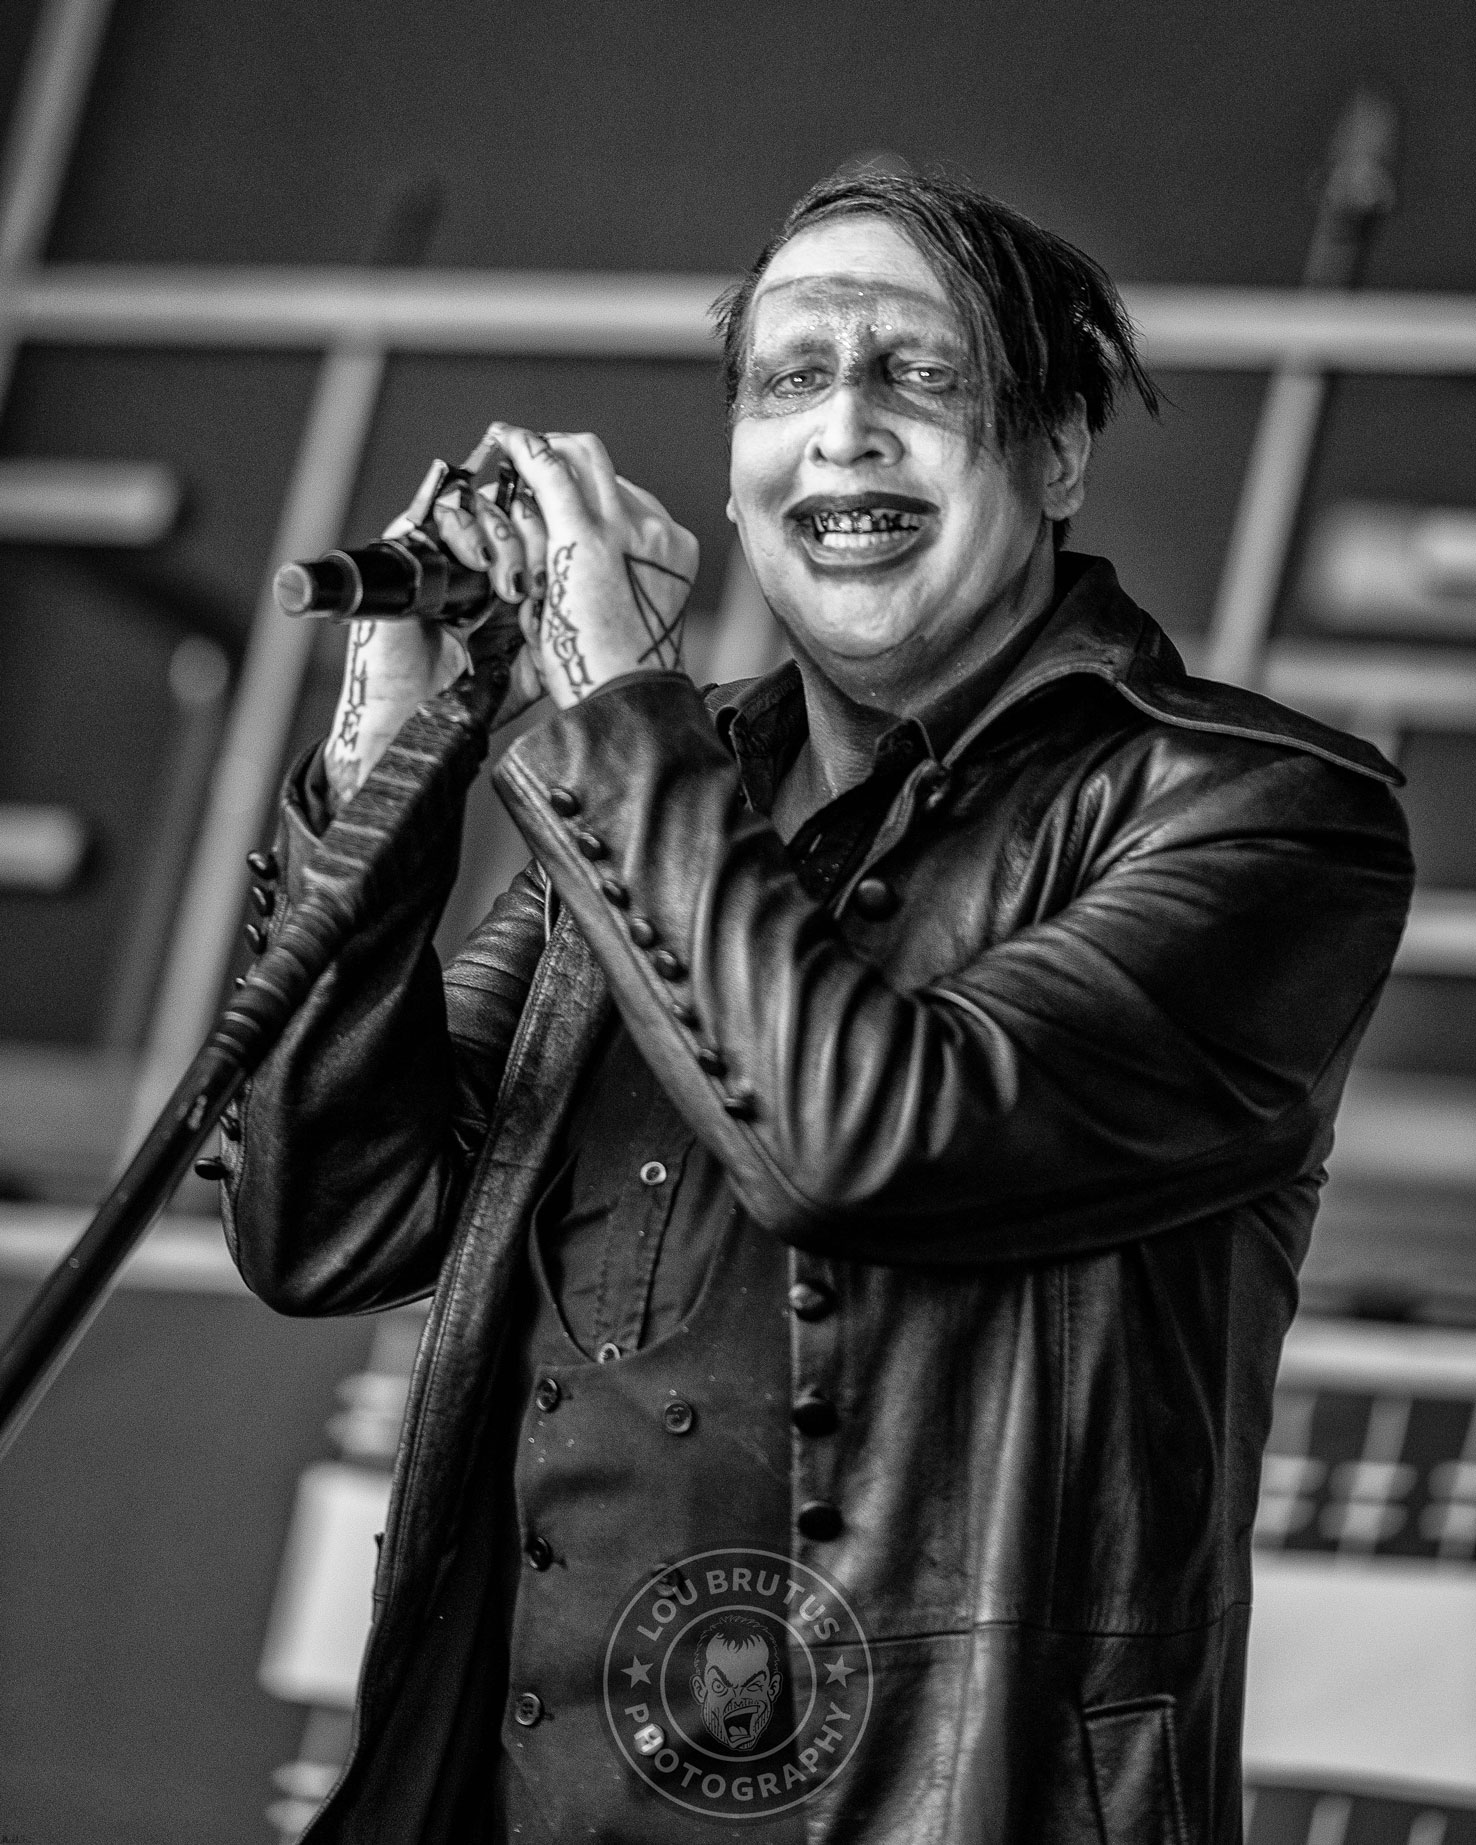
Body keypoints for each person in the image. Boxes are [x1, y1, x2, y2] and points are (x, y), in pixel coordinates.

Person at [224, 170, 1413, 1844]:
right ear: (738, 469)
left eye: (918, 373)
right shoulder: (657, 786)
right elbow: (329, 1224)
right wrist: (385, 749)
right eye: (791, 378)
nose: (844, 426)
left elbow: (866, 1145)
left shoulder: (1258, 811)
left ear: (1059, 452)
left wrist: (616, 707)